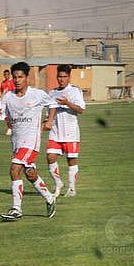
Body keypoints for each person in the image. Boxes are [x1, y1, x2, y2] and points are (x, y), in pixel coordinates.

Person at [0, 61, 57, 220]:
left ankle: (16, 209)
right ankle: (49, 198)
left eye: (20, 77)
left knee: (14, 169)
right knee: (30, 173)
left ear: (27, 77)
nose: (17, 80)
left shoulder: (37, 94)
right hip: (17, 142)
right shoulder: (8, 97)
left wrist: (49, 121)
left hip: (31, 142)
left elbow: (52, 104)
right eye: (15, 77)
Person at [46, 64, 85, 198]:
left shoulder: (75, 91)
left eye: (65, 76)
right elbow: (49, 113)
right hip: (55, 131)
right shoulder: (52, 93)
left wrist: (67, 103)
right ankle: (58, 183)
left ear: (69, 77)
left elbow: (80, 110)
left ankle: (72, 189)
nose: (62, 79)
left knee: (71, 160)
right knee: (50, 157)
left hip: (70, 132)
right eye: (60, 76)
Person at [0, 69, 15, 135]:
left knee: (14, 115)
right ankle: (9, 128)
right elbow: (1, 92)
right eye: (5, 75)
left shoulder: (12, 82)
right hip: (5, 102)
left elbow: (14, 91)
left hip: (12, 101)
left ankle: (15, 128)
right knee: (6, 115)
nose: (6, 76)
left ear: (9, 75)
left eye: (7, 74)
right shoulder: (2, 83)